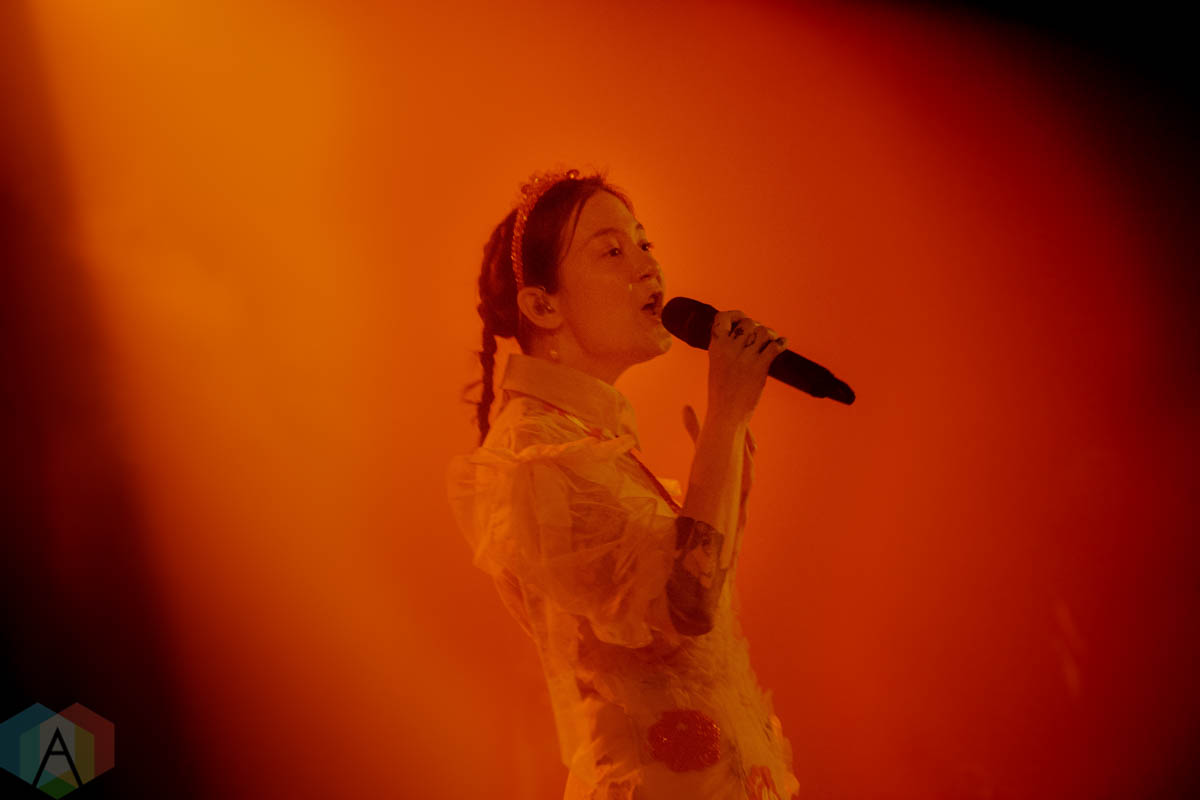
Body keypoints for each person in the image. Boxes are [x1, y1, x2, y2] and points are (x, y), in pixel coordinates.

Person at [446, 167, 801, 800]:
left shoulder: (592, 445)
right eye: (612, 251)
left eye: (644, 243)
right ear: (542, 306)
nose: (648, 267)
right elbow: (686, 606)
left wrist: (730, 481)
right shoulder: (537, 461)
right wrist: (725, 419)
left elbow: (689, 620)